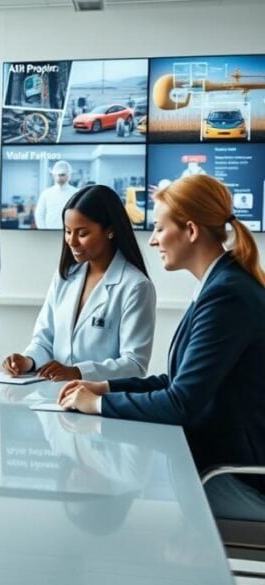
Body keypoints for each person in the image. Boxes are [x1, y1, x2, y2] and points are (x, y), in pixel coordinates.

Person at [58, 175, 265, 516]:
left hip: (227, 477)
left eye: (159, 227)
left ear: (191, 231)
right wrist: (105, 387)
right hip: (209, 465)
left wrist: (97, 404)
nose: (152, 240)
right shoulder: (218, 286)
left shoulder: (227, 295)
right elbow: (176, 383)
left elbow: (180, 403)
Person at [3, 185, 156, 381]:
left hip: (102, 401)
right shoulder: (66, 276)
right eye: (68, 231)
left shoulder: (135, 286)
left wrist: (78, 372)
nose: (72, 241)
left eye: (82, 234)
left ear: (109, 231)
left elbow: (135, 365)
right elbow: (45, 339)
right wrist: (28, 361)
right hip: (55, 394)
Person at [34, 160, 78, 230]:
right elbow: (39, 215)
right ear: (53, 175)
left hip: (70, 234)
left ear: (69, 175)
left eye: (62, 175)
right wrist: (44, 231)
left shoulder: (77, 193)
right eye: (56, 175)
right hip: (50, 233)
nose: (59, 178)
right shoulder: (46, 193)